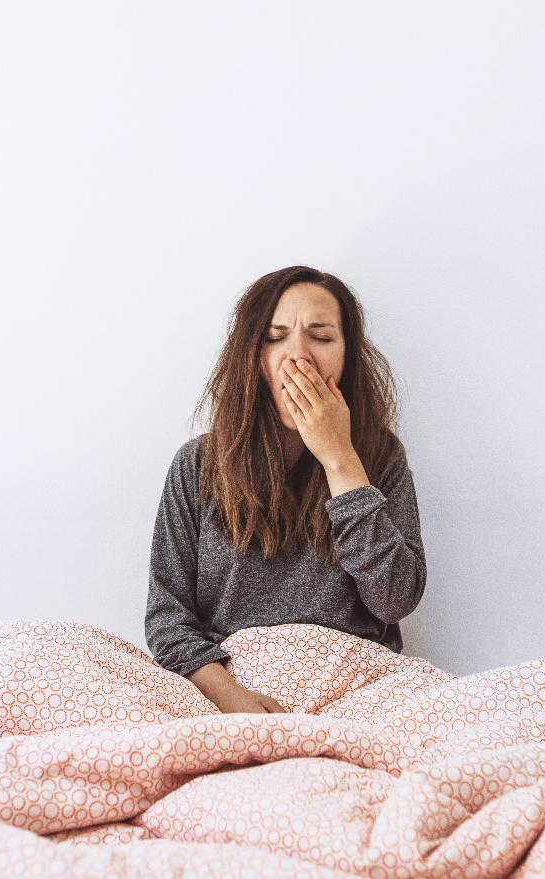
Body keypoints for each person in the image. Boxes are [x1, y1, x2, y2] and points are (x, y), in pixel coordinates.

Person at [144, 265, 427, 713]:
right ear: (253, 357)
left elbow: (395, 599)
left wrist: (340, 460)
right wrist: (234, 700)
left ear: (348, 355)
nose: (298, 358)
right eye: (275, 337)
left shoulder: (379, 457)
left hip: (358, 690)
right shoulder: (196, 464)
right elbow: (167, 619)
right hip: (231, 690)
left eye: (322, 337)